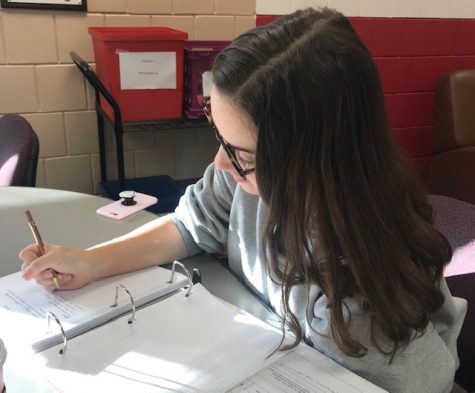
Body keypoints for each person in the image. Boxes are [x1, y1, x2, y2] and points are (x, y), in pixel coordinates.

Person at [20, 7, 465, 393]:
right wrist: (92, 261)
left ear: (312, 162)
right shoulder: (243, 179)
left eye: (242, 155)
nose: (220, 163)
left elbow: (424, 382)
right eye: (220, 137)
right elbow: (189, 222)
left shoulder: (365, 292)